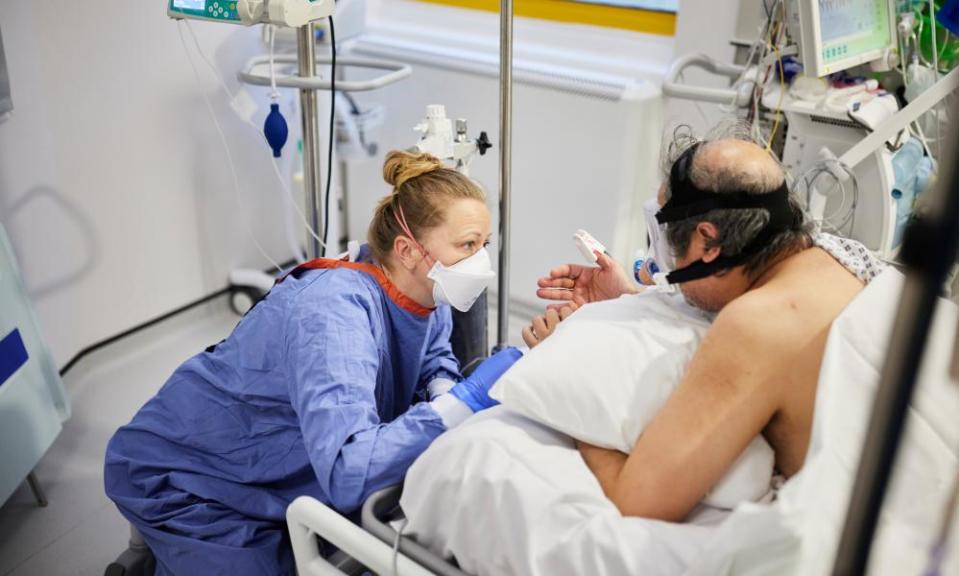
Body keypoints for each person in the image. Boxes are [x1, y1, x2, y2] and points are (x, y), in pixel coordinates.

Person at [104, 151, 521, 576]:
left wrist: (444, 389)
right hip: (194, 476)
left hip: (285, 467)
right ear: (408, 249)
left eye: (483, 245)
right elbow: (347, 473)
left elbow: (433, 354)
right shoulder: (333, 311)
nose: (479, 262)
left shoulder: (427, 290)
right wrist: (462, 403)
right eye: (468, 245)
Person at [530, 125, 883, 522]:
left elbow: (637, 501)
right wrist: (630, 300)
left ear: (708, 243)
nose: (667, 267)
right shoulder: (844, 257)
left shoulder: (757, 325)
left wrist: (565, 354)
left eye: (669, 247)